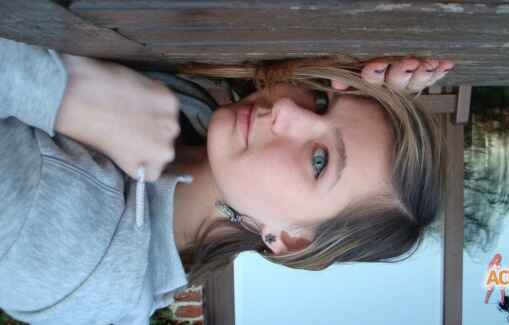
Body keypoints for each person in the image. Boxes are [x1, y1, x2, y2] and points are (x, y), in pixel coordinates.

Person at [0, 36, 453, 324]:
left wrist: (65, 94)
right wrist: (357, 58)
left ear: (289, 239)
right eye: (321, 104)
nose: (287, 111)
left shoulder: (72, 260)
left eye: (319, 160)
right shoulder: (198, 120)